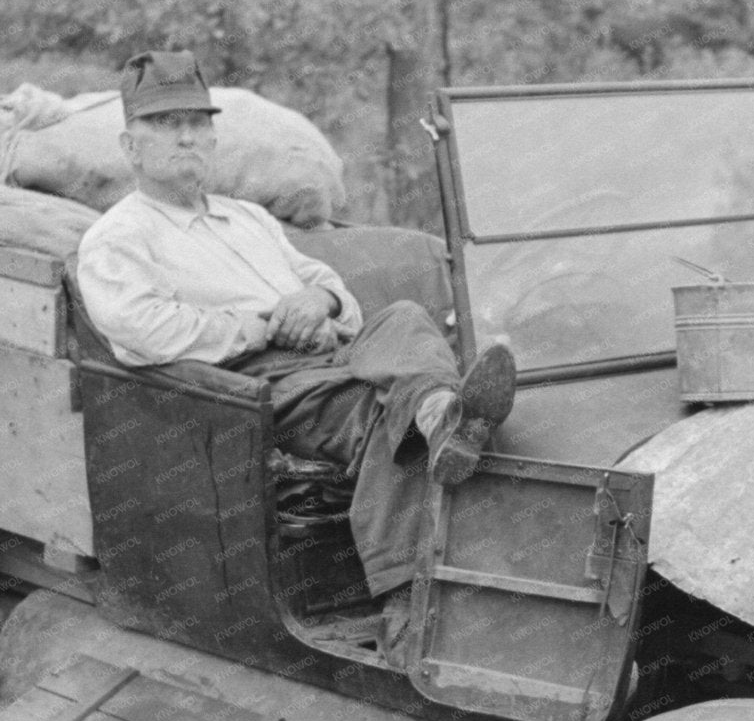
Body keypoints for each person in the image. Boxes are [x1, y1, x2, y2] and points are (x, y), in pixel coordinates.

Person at [75, 49, 514, 648]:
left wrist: (319, 304)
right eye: (165, 124)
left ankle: (441, 411)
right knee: (387, 414)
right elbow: (146, 334)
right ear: (131, 147)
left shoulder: (248, 218)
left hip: (333, 355)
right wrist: (265, 326)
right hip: (252, 389)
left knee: (405, 319)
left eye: (198, 124)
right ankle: (408, 608)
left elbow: (330, 286)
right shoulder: (118, 239)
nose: (186, 139)